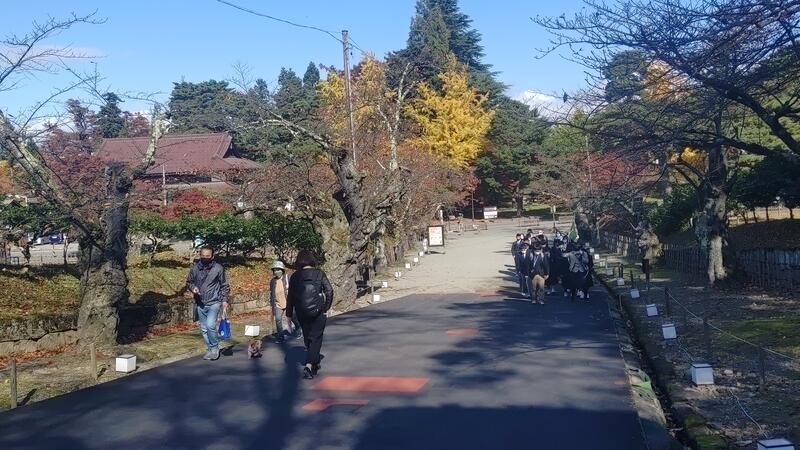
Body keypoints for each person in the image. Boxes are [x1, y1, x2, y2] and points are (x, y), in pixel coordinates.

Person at [286, 250, 333, 379]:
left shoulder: (295, 276)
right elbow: (329, 291)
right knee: (316, 338)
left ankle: (315, 363)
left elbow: (290, 297)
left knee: (308, 338)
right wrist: (326, 307)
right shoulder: (319, 273)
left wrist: (289, 315)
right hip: (318, 311)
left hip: (301, 312)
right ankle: (308, 365)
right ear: (312, 259)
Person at [186, 246, 230, 361]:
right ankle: (210, 348)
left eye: (207, 256)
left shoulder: (218, 268)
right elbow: (189, 282)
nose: (205, 258)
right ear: (200, 255)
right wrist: (193, 288)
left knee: (210, 325)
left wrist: (224, 300)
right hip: (200, 302)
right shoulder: (195, 268)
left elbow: (224, 285)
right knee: (204, 328)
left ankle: (215, 348)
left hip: (214, 301)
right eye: (203, 256)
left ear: (212, 256)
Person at [269, 260, 301, 343]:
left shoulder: (287, 278)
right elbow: (272, 293)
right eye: (274, 270)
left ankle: (298, 328)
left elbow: (295, 289)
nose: (276, 272)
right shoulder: (272, 281)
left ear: (282, 270)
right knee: (278, 319)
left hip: (288, 302)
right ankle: (281, 337)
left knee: (293, 318)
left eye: (278, 269)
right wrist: (272, 304)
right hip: (278, 304)